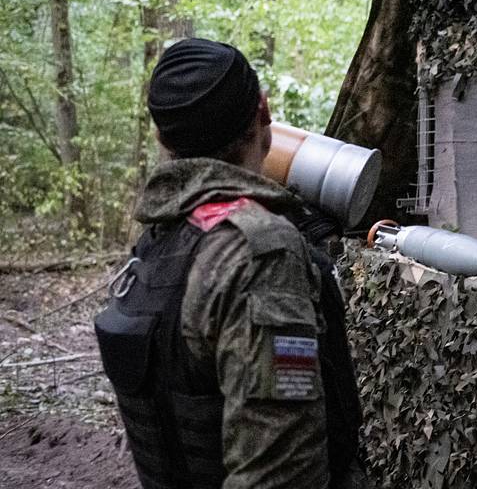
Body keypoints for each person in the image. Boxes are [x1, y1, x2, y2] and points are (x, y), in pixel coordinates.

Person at [93, 38, 365, 489]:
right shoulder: (261, 253)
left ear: (163, 138)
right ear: (263, 111)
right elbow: (281, 474)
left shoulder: (159, 241)